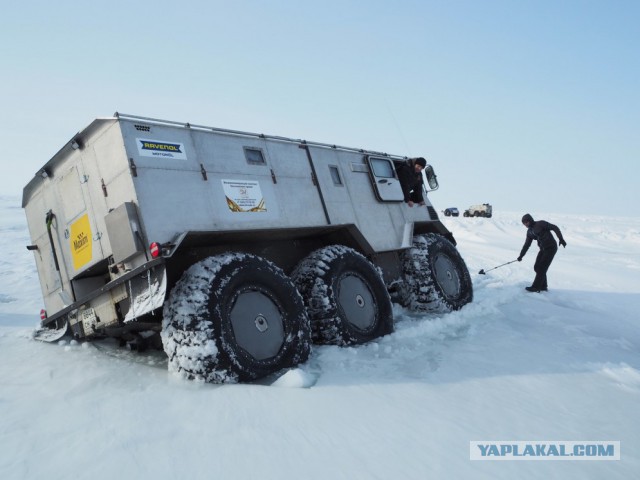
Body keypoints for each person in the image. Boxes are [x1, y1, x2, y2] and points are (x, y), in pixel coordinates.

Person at [517, 213, 567, 292]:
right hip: (543, 249)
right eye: (524, 223)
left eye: (526, 222)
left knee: (542, 268)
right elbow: (526, 245)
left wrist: (561, 239)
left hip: (551, 248)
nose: (525, 224)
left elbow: (554, 227)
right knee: (537, 267)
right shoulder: (529, 232)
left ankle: (536, 287)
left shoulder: (540, 224)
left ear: (530, 220)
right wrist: (521, 256)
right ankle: (543, 286)